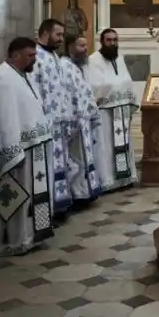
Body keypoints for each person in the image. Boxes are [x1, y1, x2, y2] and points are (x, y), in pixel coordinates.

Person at [0, 37, 55, 256]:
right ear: (15, 55)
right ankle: (13, 240)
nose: (35, 59)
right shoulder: (2, 79)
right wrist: (10, 151)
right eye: (30, 55)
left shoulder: (23, 75)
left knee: (32, 197)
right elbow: (3, 116)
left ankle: (30, 236)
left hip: (33, 147)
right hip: (18, 152)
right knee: (16, 196)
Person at [85, 28, 138, 191]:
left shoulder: (119, 59)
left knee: (124, 144)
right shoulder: (93, 60)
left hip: (121, 111)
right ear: (102, 41)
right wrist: (116, 90)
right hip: (104, 112)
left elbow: (126, 81)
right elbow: (95, 85)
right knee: (105, 146)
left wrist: (126, 96)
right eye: (109, 40)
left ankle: (125, 178)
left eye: (115, 40)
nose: (112, 43)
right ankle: (107, 181)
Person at [32, 19, 75, 219]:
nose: (61, 39)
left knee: (60, 164)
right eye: (58, 35)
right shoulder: (35, 57)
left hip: (59, 123)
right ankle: (46, 210)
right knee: (48, 167)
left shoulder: (53, 56)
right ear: (46, 33)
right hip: (46, 123)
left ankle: (58, 205)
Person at [61, 34, 101, 206]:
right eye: (81, 46)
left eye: (86, 46)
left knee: (82, 159)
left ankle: (83, 192)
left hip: (83, 121)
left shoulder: (77, 67)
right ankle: (76, 194)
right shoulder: (63, 66)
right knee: (75, 161)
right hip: (74, 123)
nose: (85, 49)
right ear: (70, 46)